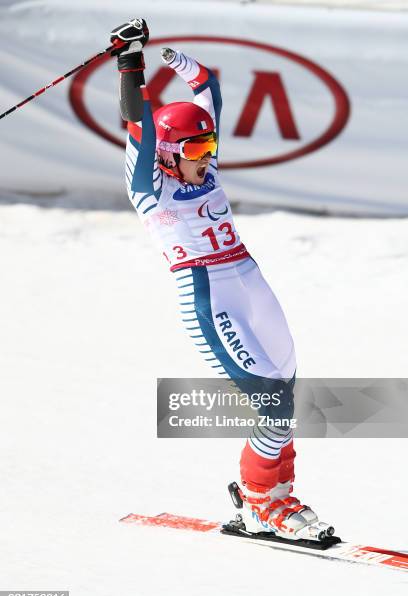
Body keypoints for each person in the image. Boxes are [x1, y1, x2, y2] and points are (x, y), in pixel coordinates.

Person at [110, 18, 334, 542]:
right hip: (211, 296)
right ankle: (260, 504)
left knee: (286, 402)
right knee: (273, 409)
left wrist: (184, 65)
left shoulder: (200, 164)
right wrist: (129, 60)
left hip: (250, 280)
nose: (206, 158)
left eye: (209, 146)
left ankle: (273, 494)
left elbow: (207, 88)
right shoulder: (149, 185)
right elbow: (138, 117)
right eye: (192, 151)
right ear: (166, 153)